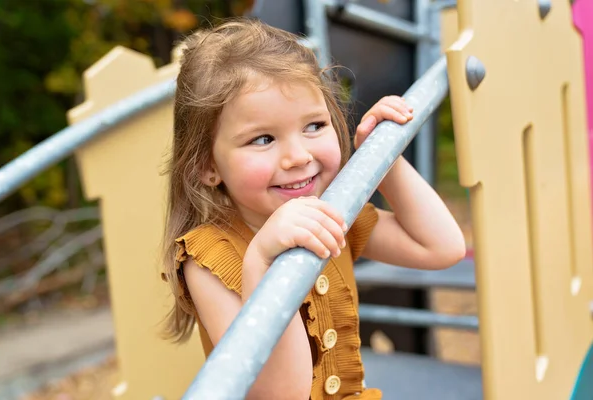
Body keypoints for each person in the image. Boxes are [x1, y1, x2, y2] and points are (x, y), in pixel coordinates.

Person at [161, 17, 466, 400]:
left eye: (314, 126)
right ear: (207, 166)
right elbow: (281, 393)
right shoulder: (207, 256)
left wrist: (384, 158)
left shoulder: (333, 213)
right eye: (263, 138)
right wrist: (261, 261)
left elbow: (441, 247)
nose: (298, 156)